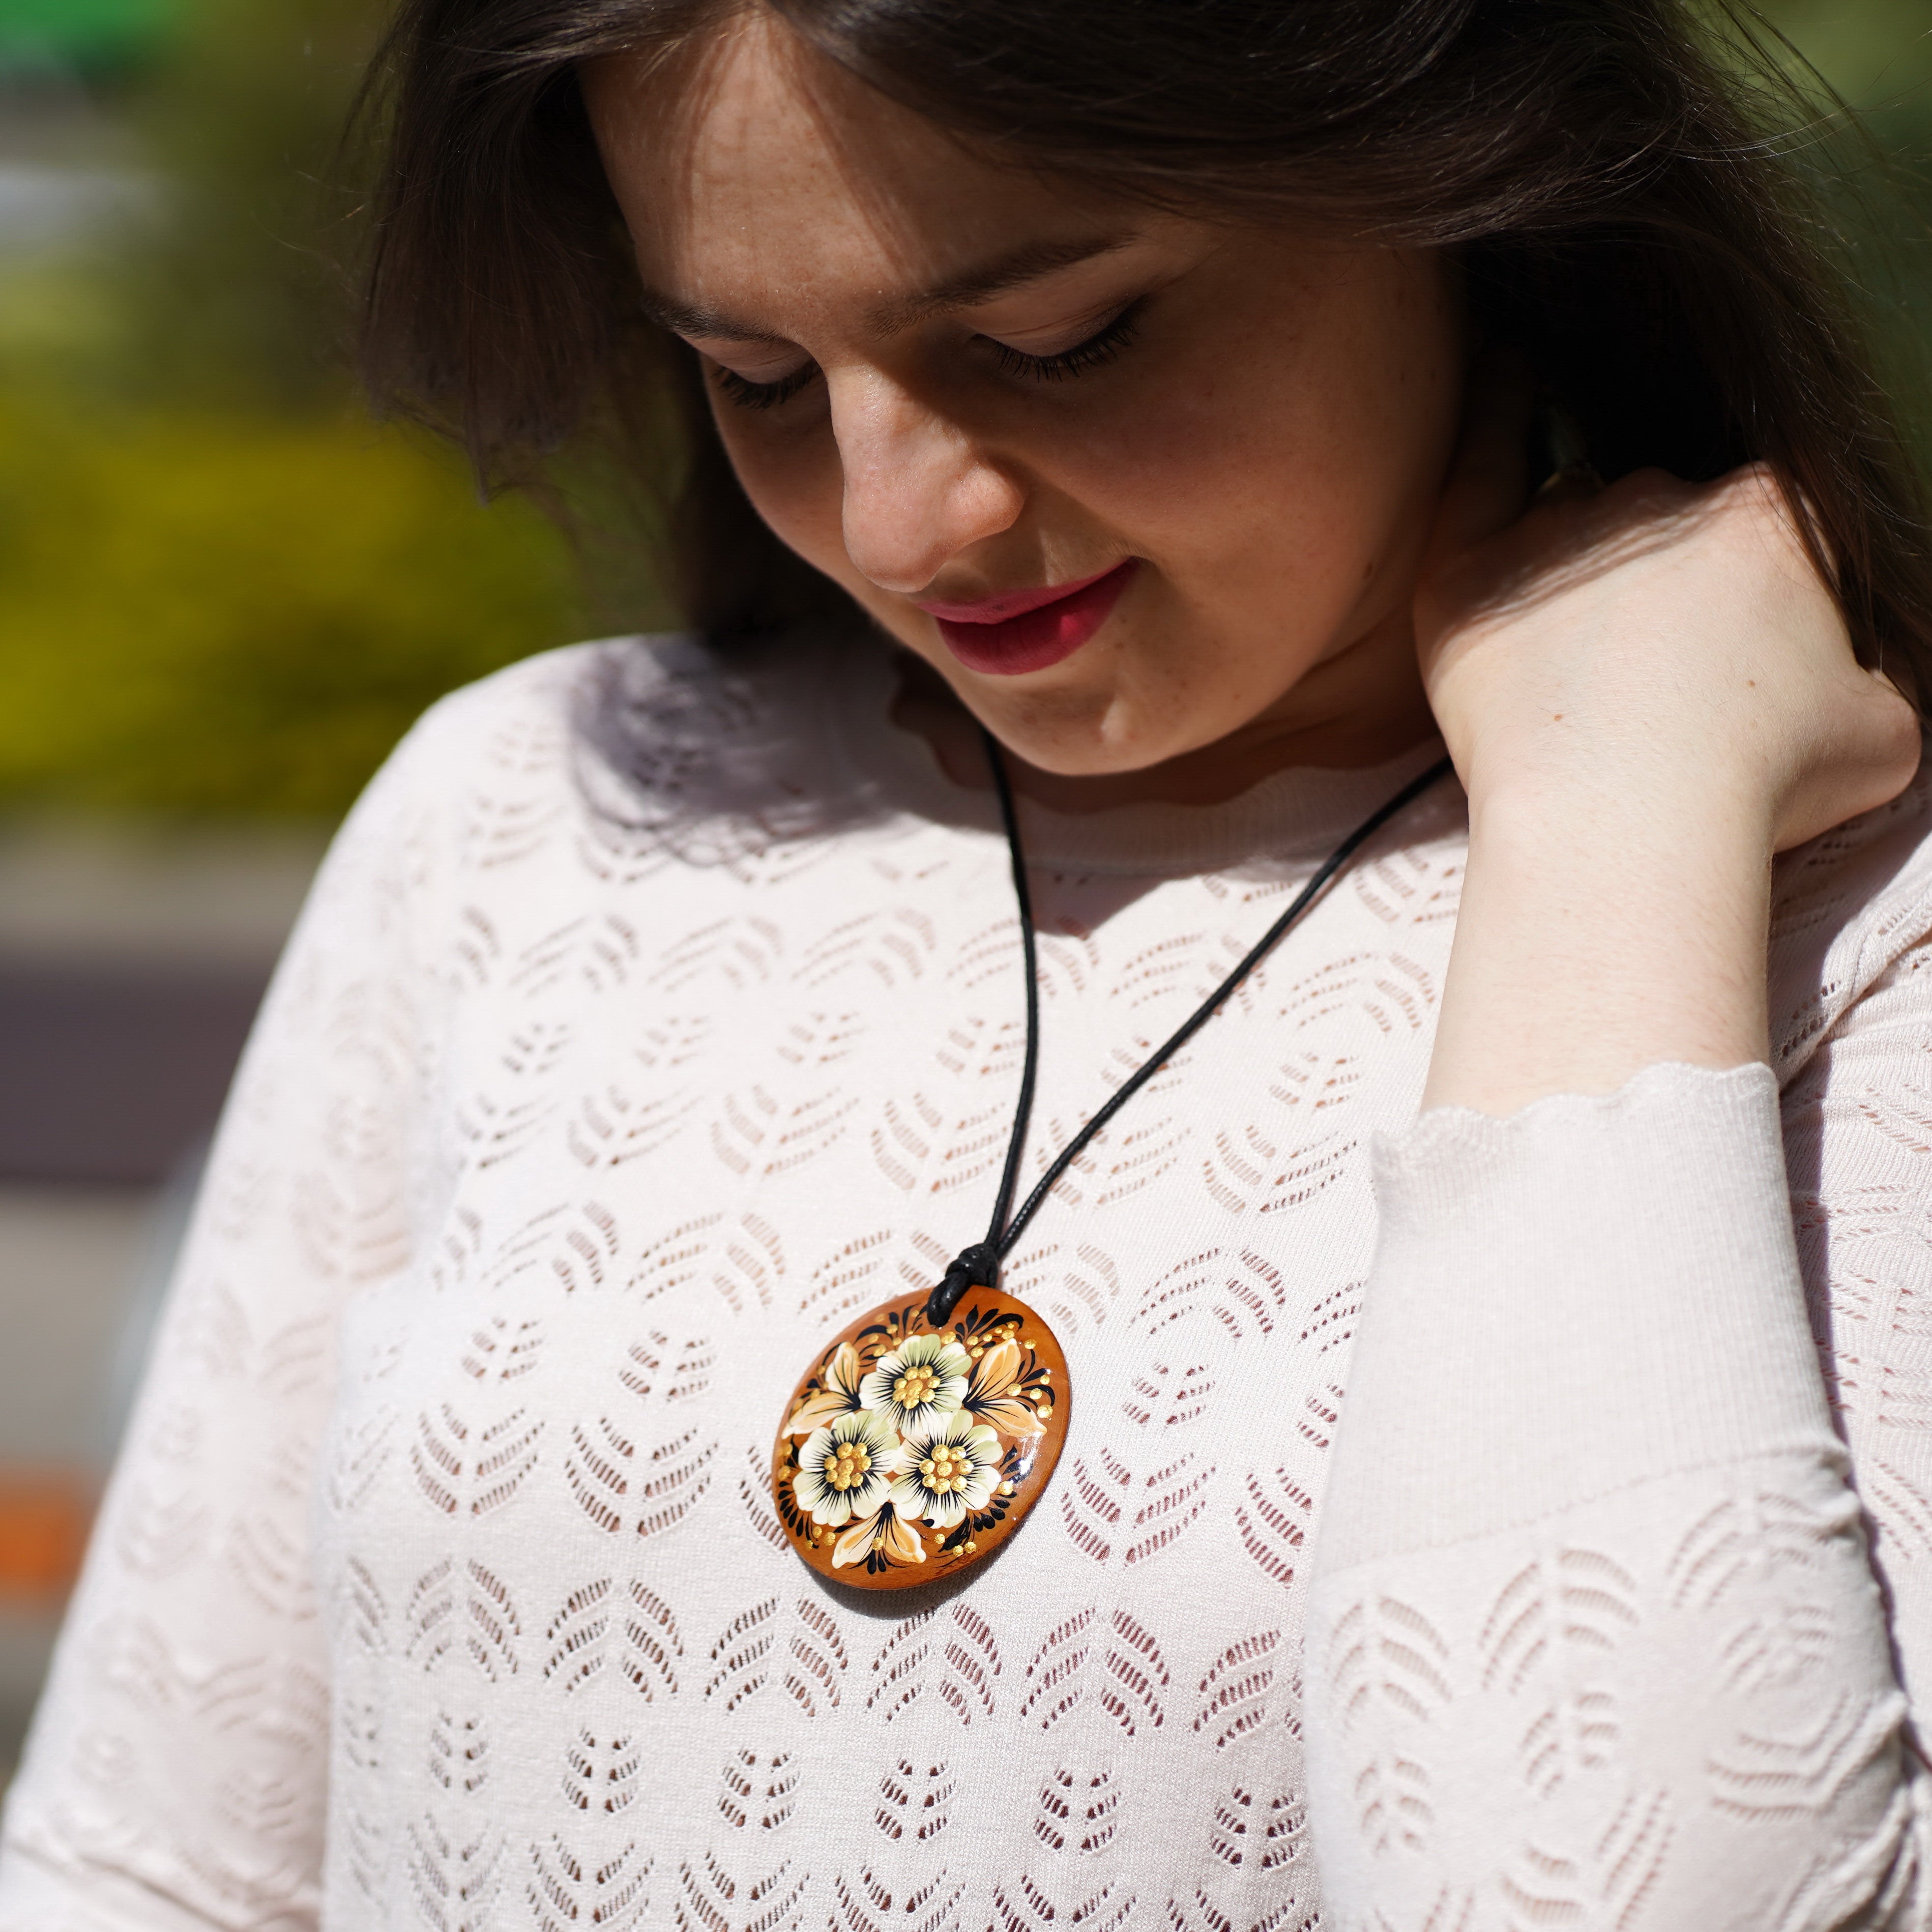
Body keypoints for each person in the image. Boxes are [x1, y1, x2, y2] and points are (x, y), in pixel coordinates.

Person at [5, 0, 1932, 1923]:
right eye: (754, 375)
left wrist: (1615, 825)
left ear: (1451, 181)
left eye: (1056, 341)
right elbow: (140, 1871)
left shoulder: (1843, 929)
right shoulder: (526, 819)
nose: (899, 519)